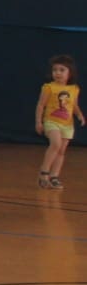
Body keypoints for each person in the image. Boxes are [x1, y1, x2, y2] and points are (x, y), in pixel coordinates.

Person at [37, 55, 84, 189]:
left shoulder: (74, 89)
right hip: (51, 121)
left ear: (70, 73)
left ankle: (54, 176)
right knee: (56, 144)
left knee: (61, 151)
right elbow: (41, 105)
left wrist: (79, 115)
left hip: (67, 124)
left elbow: (74, 105)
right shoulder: (48, 87)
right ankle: (44, 172)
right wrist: (38, 122)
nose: (57, 73)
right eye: (55, 70)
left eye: (62, 70)